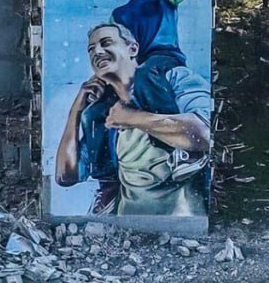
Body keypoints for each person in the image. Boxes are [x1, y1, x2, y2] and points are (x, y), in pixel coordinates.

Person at [55, 23, 211, 218]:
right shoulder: (102, 116)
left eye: (106, 43)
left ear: (133, 49)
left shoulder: (171, 79)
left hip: (183, 220)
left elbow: (205, 134)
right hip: (125, 225)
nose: (97, 52)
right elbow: (65, 176)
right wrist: (75, 112)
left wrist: (131, 118)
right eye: (91, 49)